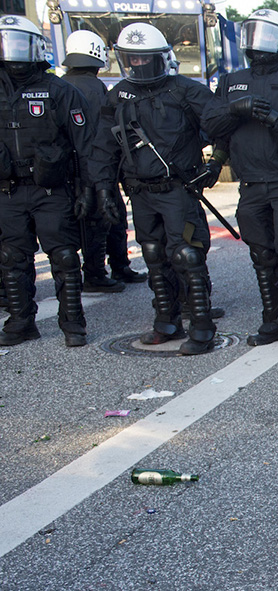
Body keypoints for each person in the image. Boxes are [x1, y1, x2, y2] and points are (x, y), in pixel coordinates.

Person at [92, 23, 222, 355]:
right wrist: (104, 189)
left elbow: (222, 125)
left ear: (160, 58)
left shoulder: (185, 89)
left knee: (188, 254)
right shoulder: (118, 94)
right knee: (153, 255)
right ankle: (166, 320)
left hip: (179, 189)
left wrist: (216, 162)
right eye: (130, 59)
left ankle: (203, 327)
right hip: (140, 190)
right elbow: (105, 147)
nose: (137, 65)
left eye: (143, 59)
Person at [203, 8, 278, 359]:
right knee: (261, 255)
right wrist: (234, 109)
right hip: (251, 184)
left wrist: (274, 119)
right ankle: (274, 321)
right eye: (254, 33)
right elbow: (211, 125)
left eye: (267, 34)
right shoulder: (231, 80)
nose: (259, 42)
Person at [0, 15, 93, 348]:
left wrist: (88, 189)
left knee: (65, 257)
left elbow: (85, 145)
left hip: (50, 187)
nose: (12, 53)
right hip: (8, 188)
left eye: (18, 44)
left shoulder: (58, 90)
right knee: (12, 258)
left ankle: (73, 324)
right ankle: (22, 320)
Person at [61, 30, 126, 295]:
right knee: (104, 217)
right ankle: (99, 272)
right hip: (94, 163)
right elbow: (104, 129)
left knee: (87, 218)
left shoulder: (60, 84)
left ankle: (113, 267)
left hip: (67, 167)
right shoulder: (95, 87)